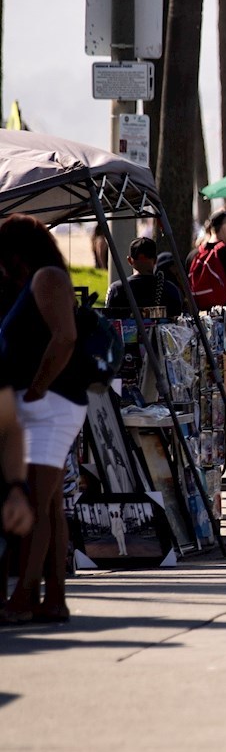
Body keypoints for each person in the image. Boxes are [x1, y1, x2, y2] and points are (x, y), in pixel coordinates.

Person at [0, 215, 84, 626]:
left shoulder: (47, 277)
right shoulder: (40, 279)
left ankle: (24, 597)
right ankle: (53, 598)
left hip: (49, 405)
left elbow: (64, 337)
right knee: (48, 504)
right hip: (49, 403)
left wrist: (36, 386)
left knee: (35, 502)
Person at [105, 236, 187, 319]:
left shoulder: (117, 290)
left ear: (129, 260)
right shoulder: (170, 289)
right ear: (155, 260)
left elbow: (108, 319)